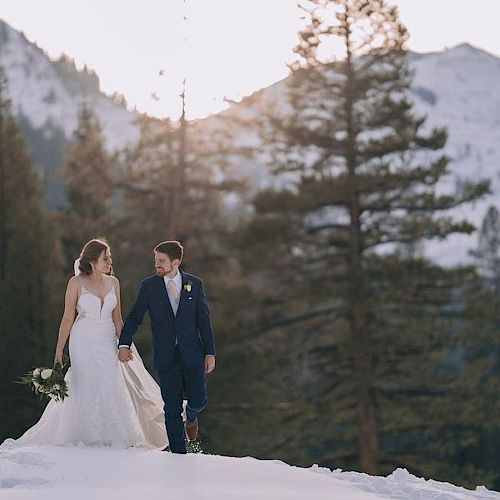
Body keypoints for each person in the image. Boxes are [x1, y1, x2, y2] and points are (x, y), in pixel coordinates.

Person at [2, 239, 169, 450]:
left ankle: (114, 433)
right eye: (105, 258)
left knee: (110, 380)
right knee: (85, 382)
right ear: (91, 261)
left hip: (108, 338)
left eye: (109, 257)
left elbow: (118, 319)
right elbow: (67, 319)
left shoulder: (113, 283)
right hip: (82, 340)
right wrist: (58, 352)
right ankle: (83, 433)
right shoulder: (76, 283)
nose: (110, 261)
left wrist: (124, 345)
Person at [118, 240, 216, 454]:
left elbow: (204, 321)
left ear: (176, 262)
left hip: (193, 354)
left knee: (198, 400)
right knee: (171, 408)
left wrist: (210, 352)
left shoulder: (195, 284)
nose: (157, 265)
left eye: (162, 261)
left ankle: (191, 415)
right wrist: (124, 342)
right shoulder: (149, 286)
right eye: (156, 261)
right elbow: (135, 316)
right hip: (165, 356)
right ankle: (178, 456)